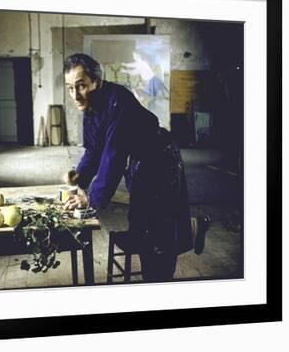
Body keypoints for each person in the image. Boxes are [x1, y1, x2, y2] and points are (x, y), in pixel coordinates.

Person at [62, 53, 193, 282]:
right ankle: (181, 233)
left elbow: (113, 157)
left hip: (161, 157)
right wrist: (80, 175)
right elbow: (94, 150)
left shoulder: (118, 100)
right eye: (70, 88)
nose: (75, 95)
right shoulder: (90, 107)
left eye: (81, 86)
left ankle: (160, 282)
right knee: (141, 221)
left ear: (97, 81)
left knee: (157, 227)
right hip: (139, 160)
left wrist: (91, 199)